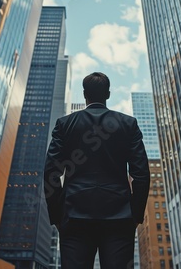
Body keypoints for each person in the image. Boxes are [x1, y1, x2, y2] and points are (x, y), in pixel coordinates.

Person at [44, 72, 150, 269]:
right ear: (108, 94)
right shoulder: (128, 124)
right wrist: (135, 214)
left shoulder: (64, 124)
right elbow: (141, 174)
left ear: (85, 95)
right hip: (119, 217)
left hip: (75, 216)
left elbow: (51, 172)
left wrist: (58, 215)